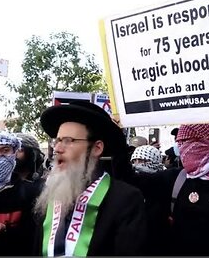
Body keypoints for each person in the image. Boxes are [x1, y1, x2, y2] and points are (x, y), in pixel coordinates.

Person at [34, 100, 147, 256]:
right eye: (58, 140)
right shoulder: (49, 196)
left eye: (68, 141)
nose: (58, 149)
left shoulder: (125, 200)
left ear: (96, 148)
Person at [129, 123, 209, 256]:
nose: (184, 148)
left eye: (189, 142)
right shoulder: (174, 178)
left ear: (208, 144)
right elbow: (129, 180)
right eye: (181, 143)